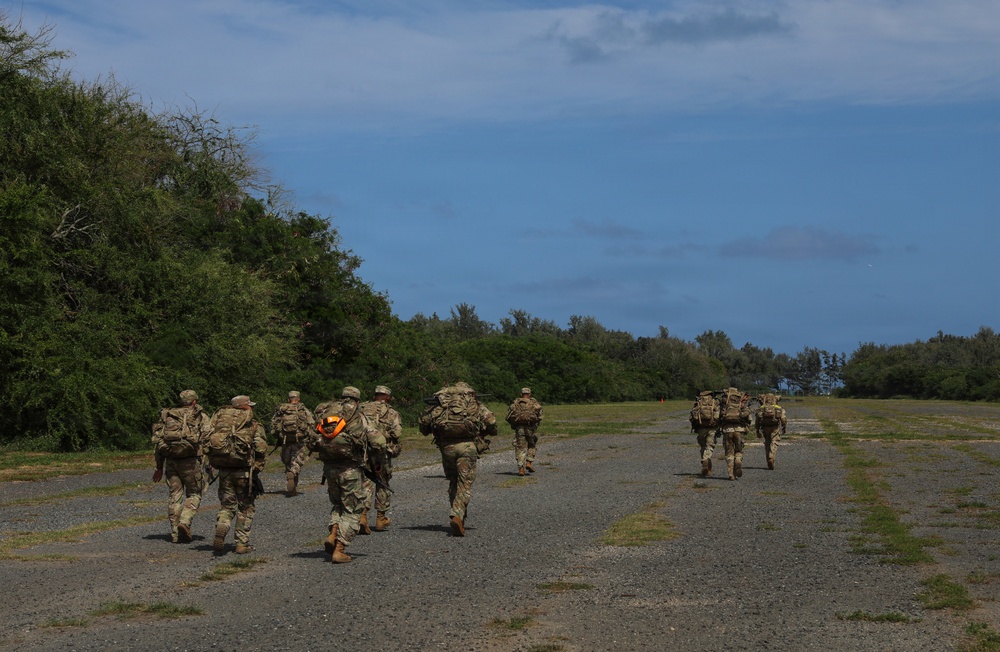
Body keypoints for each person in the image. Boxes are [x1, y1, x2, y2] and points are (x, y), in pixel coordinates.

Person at [289, 386, 385, 563]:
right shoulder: (358, 415)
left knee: (338, 504)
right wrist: (377, 461)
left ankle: (333, 534)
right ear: (357, 401)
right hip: (350, 469)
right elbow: (378, 442)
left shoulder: (327, 412)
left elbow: (312, 439)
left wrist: (296, 465)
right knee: (354, 508)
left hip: (329, 469)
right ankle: (340, 549)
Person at [419, 382, 497, 537]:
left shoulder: (441, 404)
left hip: (447, 448)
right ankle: (457, 515)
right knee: (465, 482)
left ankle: (458, 514)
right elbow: (492, 423)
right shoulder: (473, 403)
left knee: (453, 481)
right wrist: (490, 432)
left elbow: (424, 427)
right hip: (467, 447)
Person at [151, 389, 212, 543]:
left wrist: (159, 467)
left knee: (175, 496)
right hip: (191, 462)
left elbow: (158, 443)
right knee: (194, 494)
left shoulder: (168, 415)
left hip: (171, 461)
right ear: (194, 402)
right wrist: (210, 462)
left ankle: (174, 533)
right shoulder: (199, 416)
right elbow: (208, 440)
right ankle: (184, 522)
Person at [208, 395, 267, 554]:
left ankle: (222, 525)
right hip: (244, 473)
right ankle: (241, 544)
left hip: (224, 471)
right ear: (245, 407)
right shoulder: (253, 425)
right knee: (246, 507)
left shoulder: (219, 425)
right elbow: (261, 448)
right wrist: (257, 467)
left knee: (227, 505)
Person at [359, 385, 402, 531]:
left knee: (366, 482)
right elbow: (397, 433)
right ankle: (380, 519)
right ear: (387, 397)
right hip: (383, 453)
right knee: (383, 482)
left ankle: (363, 516)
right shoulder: (391, 412)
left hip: (364, 451)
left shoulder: (362, 408)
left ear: (374, 395)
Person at [270, 390, 315, 495]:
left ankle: (292, 487)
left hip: (285, 440)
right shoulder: (303, 410)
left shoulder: (282, 410)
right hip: (299, 441)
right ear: (298, 399)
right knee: (297, 462)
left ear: (288, 399)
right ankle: (293, 473)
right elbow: (311, 423)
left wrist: (277, 437)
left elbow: (273, 424)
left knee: (288, 462)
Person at [506, 387, 543, 476]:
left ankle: (521, 469)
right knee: (532, 444)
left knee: (520, 448)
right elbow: (540, 416)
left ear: (521, 394)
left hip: (519, 429)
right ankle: (529, 462)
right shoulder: (534, 403)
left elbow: (508, 417)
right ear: (529, 394)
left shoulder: (515, 403)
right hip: (530, 428)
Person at [717, 387, 752, 481]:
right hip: (739, 429)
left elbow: (718, 415)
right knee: (739, 450)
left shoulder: (724, 401)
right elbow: (749, 417)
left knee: (729, 452)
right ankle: (738, 460)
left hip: (727, 430)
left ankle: (731, 474)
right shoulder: (741, 400)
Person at [689, 390, 720, 477]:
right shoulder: (715, 402)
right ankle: (706, 459)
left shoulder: (698, 403)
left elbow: (692, 417)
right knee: (709, 446)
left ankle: (705, 465)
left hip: (701, 428)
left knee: (703, 446)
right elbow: (718, 416)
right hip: (712, 428)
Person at [754, 393, 787, 470]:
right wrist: (784, 427)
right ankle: (771, 457)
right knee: (774, 442)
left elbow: (757, 420)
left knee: (767, 442)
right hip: (775, 427)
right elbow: (783, 419)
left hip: (765, 428)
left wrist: (757, 430)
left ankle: (768, 459)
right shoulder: (778, 408)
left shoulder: (762, 408)